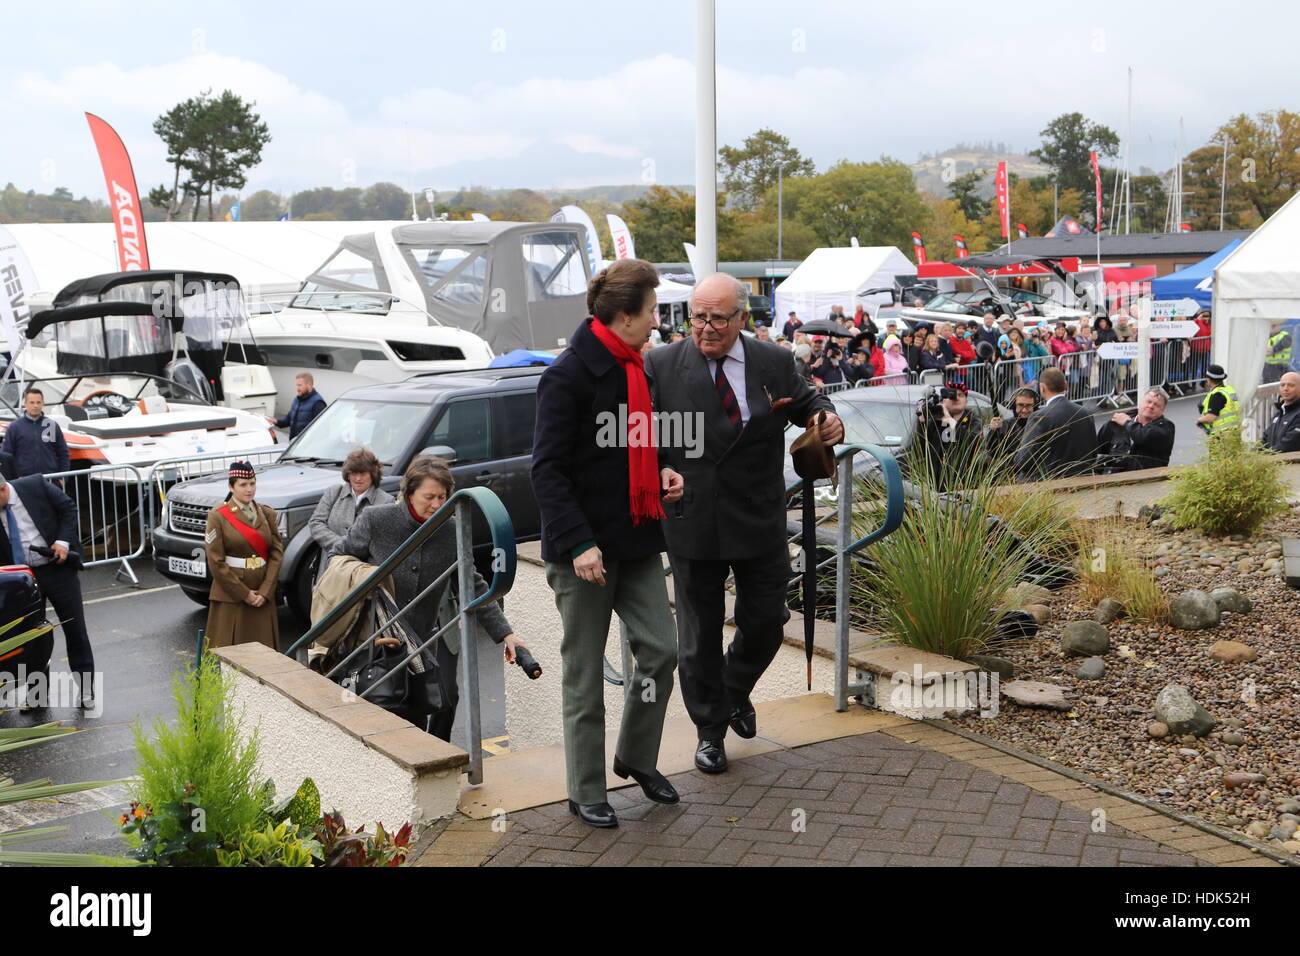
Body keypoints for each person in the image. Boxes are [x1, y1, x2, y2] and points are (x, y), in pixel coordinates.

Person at [644, 273, 843, 775]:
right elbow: (640, 432)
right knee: (699, 636)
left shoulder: (772, 360)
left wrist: (826, 416)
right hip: (693, 517)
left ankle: (734, 689)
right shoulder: (662, 363)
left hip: (758, 514)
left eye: (717, 318)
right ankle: (710, 731)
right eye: (697, 317)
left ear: (741, 318)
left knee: (766, 620)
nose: (705, 328)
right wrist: (660, 467)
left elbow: (805, 401)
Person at [531, 258, 685, 829]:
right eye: (650, 314)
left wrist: (665, 468)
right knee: (584, 675)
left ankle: (636, 757)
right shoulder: (567, 375)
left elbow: (642, 440)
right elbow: (546, 471)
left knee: (662, 650)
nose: (656, 324)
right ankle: (586, 788)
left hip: (638, 540)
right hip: (585, 553)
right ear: (624, 316)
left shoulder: (635, 367)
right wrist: (578, 544)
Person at [334, 455, 525, 742]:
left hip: (421, 644)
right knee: (382, 718)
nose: (437, 504)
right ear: (409, 493)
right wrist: (366, 579)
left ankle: (437, 767)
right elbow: (338, 558)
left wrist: (506, 634)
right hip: (373, 644)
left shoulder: (451, 530)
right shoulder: (376, 520)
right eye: (428, 497)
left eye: (442, 496)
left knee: (433, 706)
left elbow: (470, 583)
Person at [0, 472, 93, 708]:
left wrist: (63, 541)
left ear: (2, 490)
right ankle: (37, 696)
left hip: (56, 569)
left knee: (75, 630)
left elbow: (68, 509)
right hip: (23, 580)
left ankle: (86, 691)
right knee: (32, 637)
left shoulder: (35, 485)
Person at [204, 461, 284, 650]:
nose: (249, 489)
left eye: (252, 483)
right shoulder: (218, 516)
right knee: (231, 654)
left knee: (264, 656)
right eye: (243, 484)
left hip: (262, 591)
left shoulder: (266, 513)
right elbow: (216, 561)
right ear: (231, 487)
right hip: (232, 594)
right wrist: (244, 594)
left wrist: (266, 591)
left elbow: (276, 553)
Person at [307, 448, 393, 578]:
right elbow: (316, 523)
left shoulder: (386, 501)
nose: (358, 479)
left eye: (363, 473)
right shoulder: (333, 492)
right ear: (347, 474)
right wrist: (342, 545)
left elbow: (383, 542)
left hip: (362, 577)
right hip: (329, 573)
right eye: (354, 473)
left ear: (372, 474)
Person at [1015, 367, 1098, 481]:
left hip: (1052, 485)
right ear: (1066, 385)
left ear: (1042, 388)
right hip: (1083, 479)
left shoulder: (1039, 417)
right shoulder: (1085, 413)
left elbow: (1024, 461)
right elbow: (1094, 453)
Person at [915, 382, 983, 489]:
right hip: (937, 481)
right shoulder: (936, 421)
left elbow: (973, 441)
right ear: (943, 401)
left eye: (960, 395)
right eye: (951, 396)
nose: (955, 398)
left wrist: (950, 421)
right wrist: (922, 421)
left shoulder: (973, 421)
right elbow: (923, 446)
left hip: (964, 483)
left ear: (966, 401)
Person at [1096, 389, 1176, 471]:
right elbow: (1098, 454)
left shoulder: (1165, 428)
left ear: (1162, 411)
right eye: (1148, 401)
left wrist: (1127, 423)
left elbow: (1143, 436)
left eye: (1157, 405)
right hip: (1114, 479)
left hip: (1149, 480)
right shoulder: (1115, 424)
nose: (1151, 406)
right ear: (1140, 403)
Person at [1, 388, 68, 478]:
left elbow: (62, 453)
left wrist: (62, 477)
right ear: (25, 404)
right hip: (24, 481)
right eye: (32, 402)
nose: (35, 406)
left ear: (43, 403)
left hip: (50, 480)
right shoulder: (15, 427)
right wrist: (12, 481)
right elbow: (6, 455)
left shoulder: (51, 426)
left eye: (38, 402)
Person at [276, 372, 328, 438]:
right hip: (294, 444)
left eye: (300, 385)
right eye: (296, 385)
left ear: (309, 385)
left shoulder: (318, 403)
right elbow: (289, 420)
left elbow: (322, 430)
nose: (297, 389)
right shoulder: (297, 400)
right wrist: (276, 422)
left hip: (306, 446)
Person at [1196, 364, 1240, 436]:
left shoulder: (1217, 395)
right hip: (1233, 431)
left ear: (1209, 380)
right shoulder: (1229, 390)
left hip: (1221, 435)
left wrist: (1199, 420)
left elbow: (1211, 417)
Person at [1262, 371, 1300, 452]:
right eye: (1283, 385)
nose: (1285, 388)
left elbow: (1289, 444)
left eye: (1291, 385)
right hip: (1274, 462)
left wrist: (1266, 454)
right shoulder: (1279, 415)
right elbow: (1264, 440)